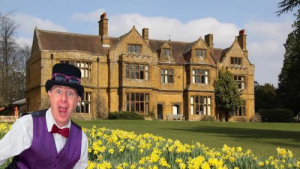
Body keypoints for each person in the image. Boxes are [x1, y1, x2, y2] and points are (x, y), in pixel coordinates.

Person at [0, 63, 88, 169]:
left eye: (70, 93)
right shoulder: (27, 125)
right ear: (50, 94)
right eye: (58, 91)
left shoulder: (81, 139)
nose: (64, 99)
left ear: (77, 100)